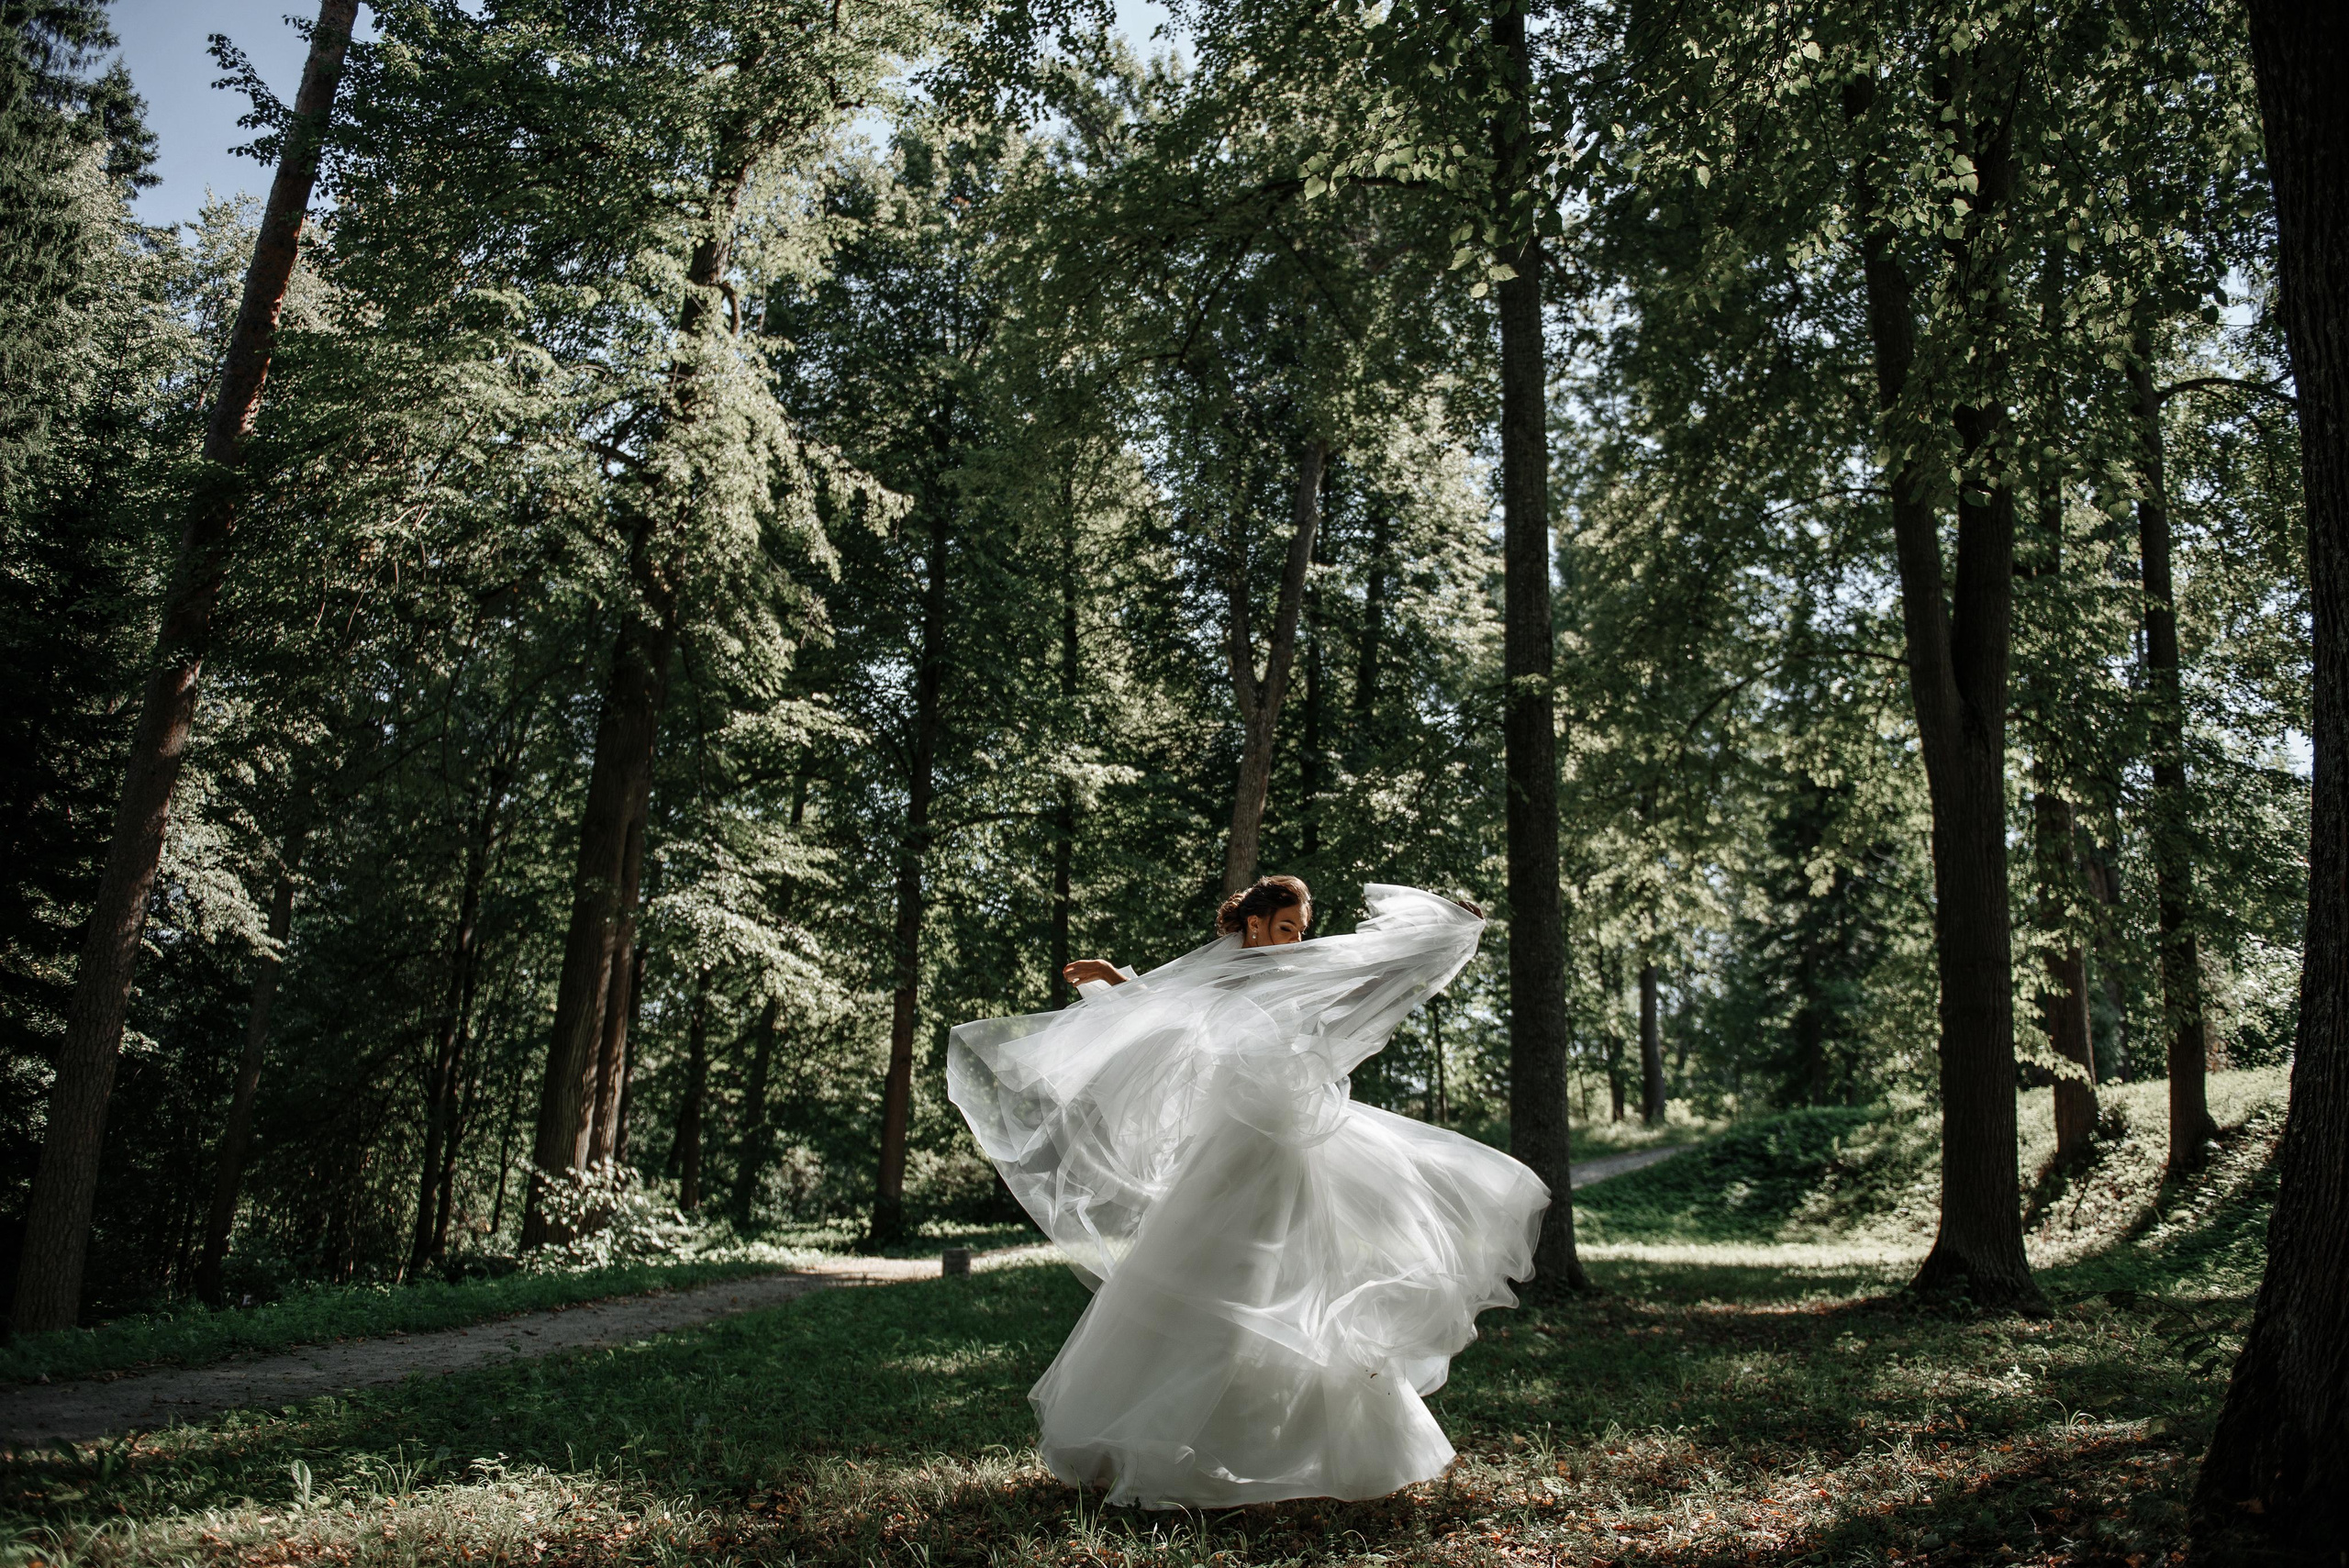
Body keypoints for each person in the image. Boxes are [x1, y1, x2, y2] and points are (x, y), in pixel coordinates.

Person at [947, 874, 1550, 1508]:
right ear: (1255, 922)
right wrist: (1108, 976)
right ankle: (1166, 1439)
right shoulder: (1232, 971)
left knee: (1294, 1280)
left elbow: (1370, 977)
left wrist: (1440, 933)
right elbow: (1164, 1002)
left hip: (1288, 1141)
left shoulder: (1299, 971)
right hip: (1237, 1144)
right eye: (1286, 926)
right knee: (1213, 1274)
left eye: (1301, 930)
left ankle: (1296, 1443)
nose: (1295, 940)